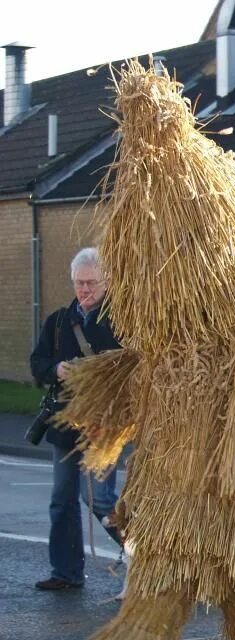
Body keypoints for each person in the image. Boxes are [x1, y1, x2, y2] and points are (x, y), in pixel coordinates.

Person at [29, 247, 123, 590]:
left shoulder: (122, 321)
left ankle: (145, 558)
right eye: (79, 283)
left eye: (91, 283)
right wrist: (56, 369)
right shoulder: (57, 322)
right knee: (61, 499)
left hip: (106, 426)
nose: (84, 290)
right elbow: (37, 363)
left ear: (106, 282)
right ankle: (66, 573)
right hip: (65, 426)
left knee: (99, 498)